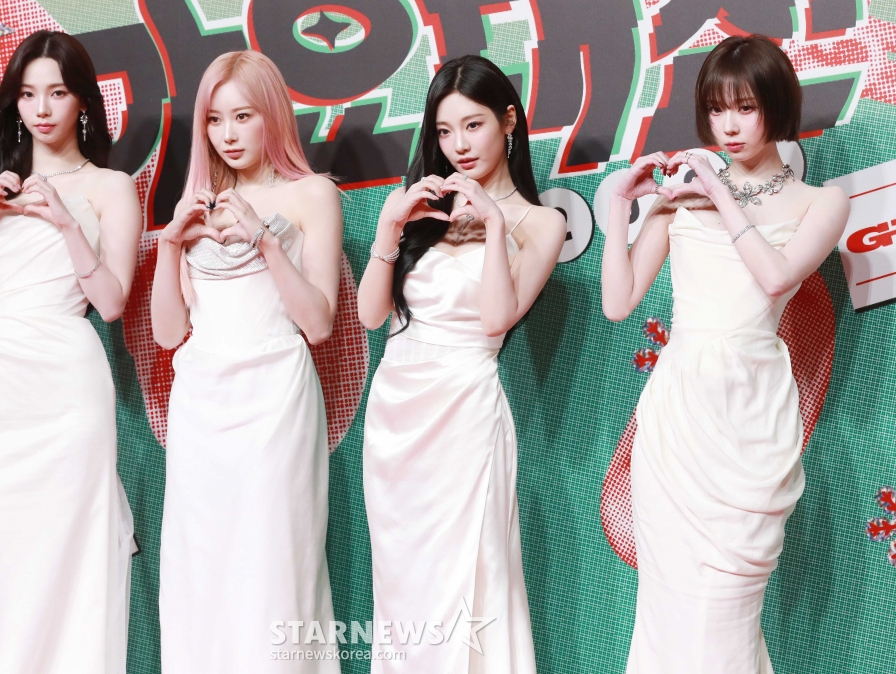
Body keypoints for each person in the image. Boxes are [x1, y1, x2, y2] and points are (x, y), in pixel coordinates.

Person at [601, 35, 849, 674]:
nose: (728, 126)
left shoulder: (822, 201)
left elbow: (776, 278)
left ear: (776, 106)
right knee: (668, 613)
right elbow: (619, 302)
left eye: (745, 108)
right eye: (716, 110)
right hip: (676, 420)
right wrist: (620, 211)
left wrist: (721, 196)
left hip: (749, 417)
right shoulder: (680, 197)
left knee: (724, 619)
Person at [357, 54, 566, 672]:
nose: (459, 146)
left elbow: (496, 320)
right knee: (404, 583)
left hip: (465, 407)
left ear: (509, 121)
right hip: (396, 411)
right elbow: (372, 316)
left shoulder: (542, 222)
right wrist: (391, 227)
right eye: (445, 131)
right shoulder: (421, 208)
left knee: (471, 573)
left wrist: (496, 225)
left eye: (473, 126)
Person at [0, 30, 141, 674]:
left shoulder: (111, 186)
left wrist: (64, 221)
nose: (41, 108)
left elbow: (110, 303)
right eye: (28, 95)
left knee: (70, 551)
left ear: (82, 100)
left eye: (56, 92)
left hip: (66, 383)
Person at [149, 50, 343, 673]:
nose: (227, 134)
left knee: (276, 566)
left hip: (276, 398)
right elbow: (168, 332)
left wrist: (264, 239)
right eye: (214, 119)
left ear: (272, 116)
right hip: (201, 401)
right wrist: (170, 245)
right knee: (201, 569)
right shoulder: (197, 203)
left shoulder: (312, 195)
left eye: (243, 116)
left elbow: (318, 324)